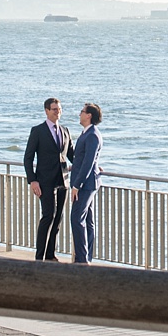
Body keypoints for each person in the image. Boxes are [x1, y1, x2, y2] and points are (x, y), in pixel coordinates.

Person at [23, 96, 72, 261]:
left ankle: (51, 255)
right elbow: (28, 158)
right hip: (44, 181)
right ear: (46, 111)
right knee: (48, 216)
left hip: (63, 180)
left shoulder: (65, 130)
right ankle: (39, 257)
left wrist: (92, 165)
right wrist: (33, 180)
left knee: (58, 218)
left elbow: (72, 155)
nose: (58, 112)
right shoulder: (38, 131)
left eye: (59, 109)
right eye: (54, 109)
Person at [69, 102, 103, 264]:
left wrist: (76, 185)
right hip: (88, 183)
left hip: (85, 185)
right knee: (87, 221)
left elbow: (88, 162)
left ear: (89, 115)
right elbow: (85, 159)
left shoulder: (92, 135)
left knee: (77, 218)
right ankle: (85, 257)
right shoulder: (87, 133)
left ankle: (82, 259)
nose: (79, 114)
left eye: (82, 112)